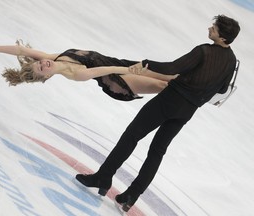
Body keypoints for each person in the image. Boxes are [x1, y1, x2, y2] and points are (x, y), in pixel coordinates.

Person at [76, 14, 240, 212]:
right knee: (157, 151)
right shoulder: (231, 60)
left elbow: (172, 68)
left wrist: (146, 63)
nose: (210, 29)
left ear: (222, 38)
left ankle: (103, 177)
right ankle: (130, 196)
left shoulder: (203, 51)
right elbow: (222, 90)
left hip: (169, 100)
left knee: (132, 135)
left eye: (214, 29)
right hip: (187, 111)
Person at [0, 39, 177, 101]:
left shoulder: (55, 57)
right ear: (47, 76)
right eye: (42, 69)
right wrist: (130, 70)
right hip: (120, 79)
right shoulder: (76, 75)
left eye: (39, 62)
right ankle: (206, 97)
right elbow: (105, 69)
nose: (43, 64)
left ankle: (206, 87)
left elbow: (20, 50)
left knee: (171, 74)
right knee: (165, 85)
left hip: (120, 63)